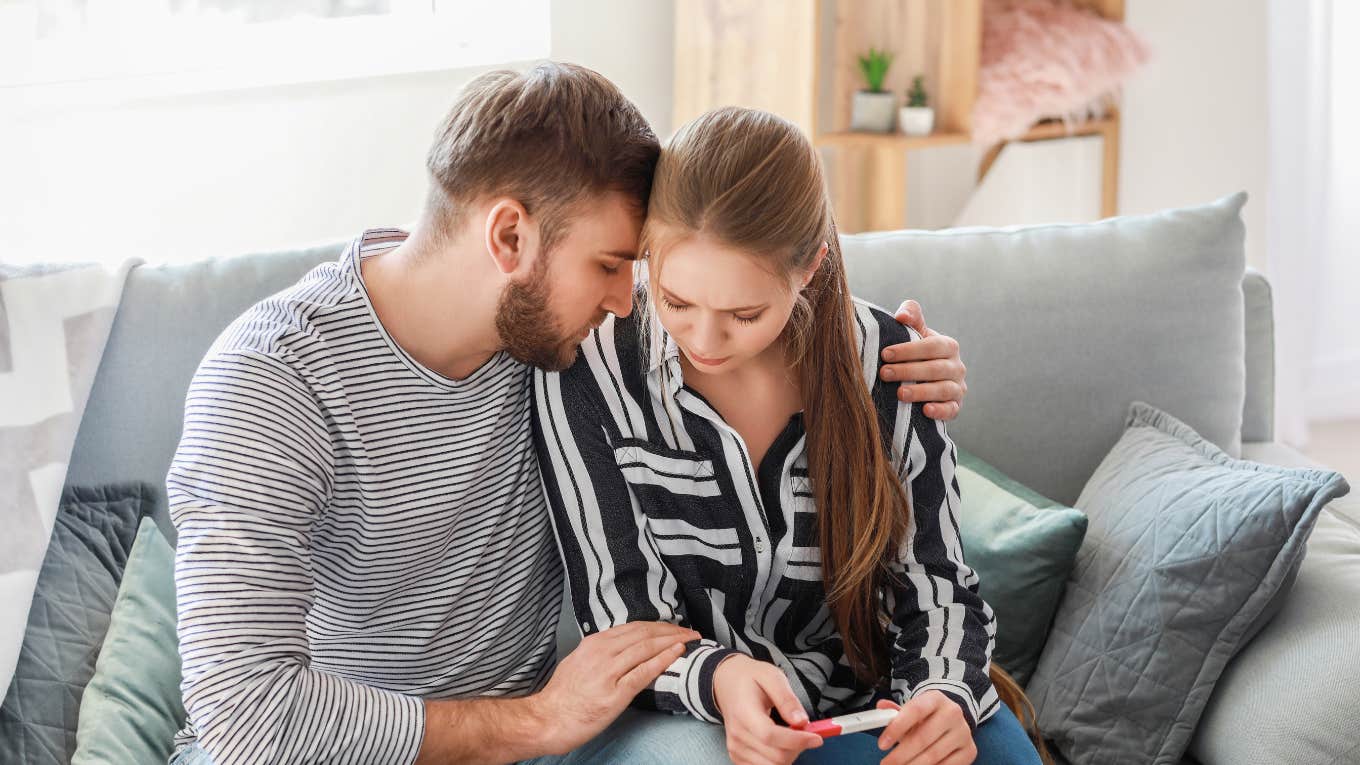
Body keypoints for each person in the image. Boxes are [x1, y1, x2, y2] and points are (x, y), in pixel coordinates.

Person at [165, 63, 971, 765]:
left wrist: (890, 359)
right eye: (612, 266)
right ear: (509, 235)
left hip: (537, 749)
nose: (634, 305)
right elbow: (246, 717)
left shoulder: (558, 347)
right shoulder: (271, 383)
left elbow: (750, 281)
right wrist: (537, 719)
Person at [532, 106, 1047, 765]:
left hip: (863, 695)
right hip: (689, 707)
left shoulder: (889, 362)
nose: (704, 340)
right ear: (646, 253)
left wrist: (943, 692)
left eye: (745, 313)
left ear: (809, 269)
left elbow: (936, 579)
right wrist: (720, 677)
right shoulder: (590, 367)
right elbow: (624, 617)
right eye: (676, 300)